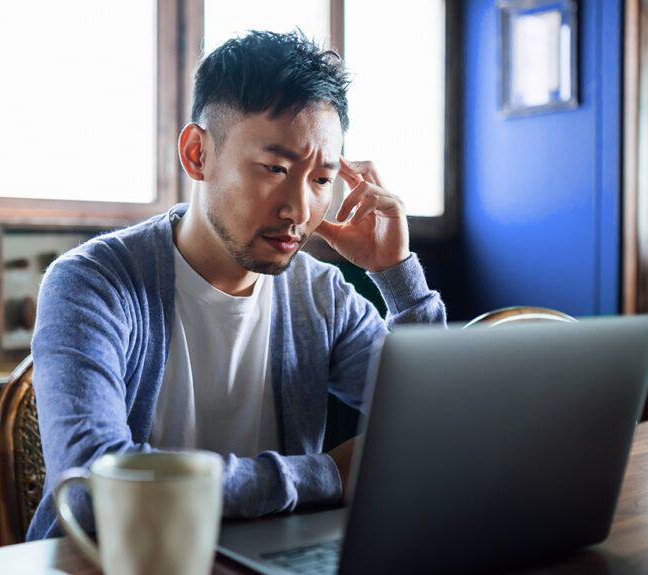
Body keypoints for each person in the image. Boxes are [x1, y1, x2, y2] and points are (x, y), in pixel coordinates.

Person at [25, 30, 446, 540]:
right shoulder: (92, 283)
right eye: (274, 168)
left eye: (320, 180)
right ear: (198, 153)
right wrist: (328, 474)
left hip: (272, 560)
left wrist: (396, 275)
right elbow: (95, 491)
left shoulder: (322, 296)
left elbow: (440, 426)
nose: (298, 210)